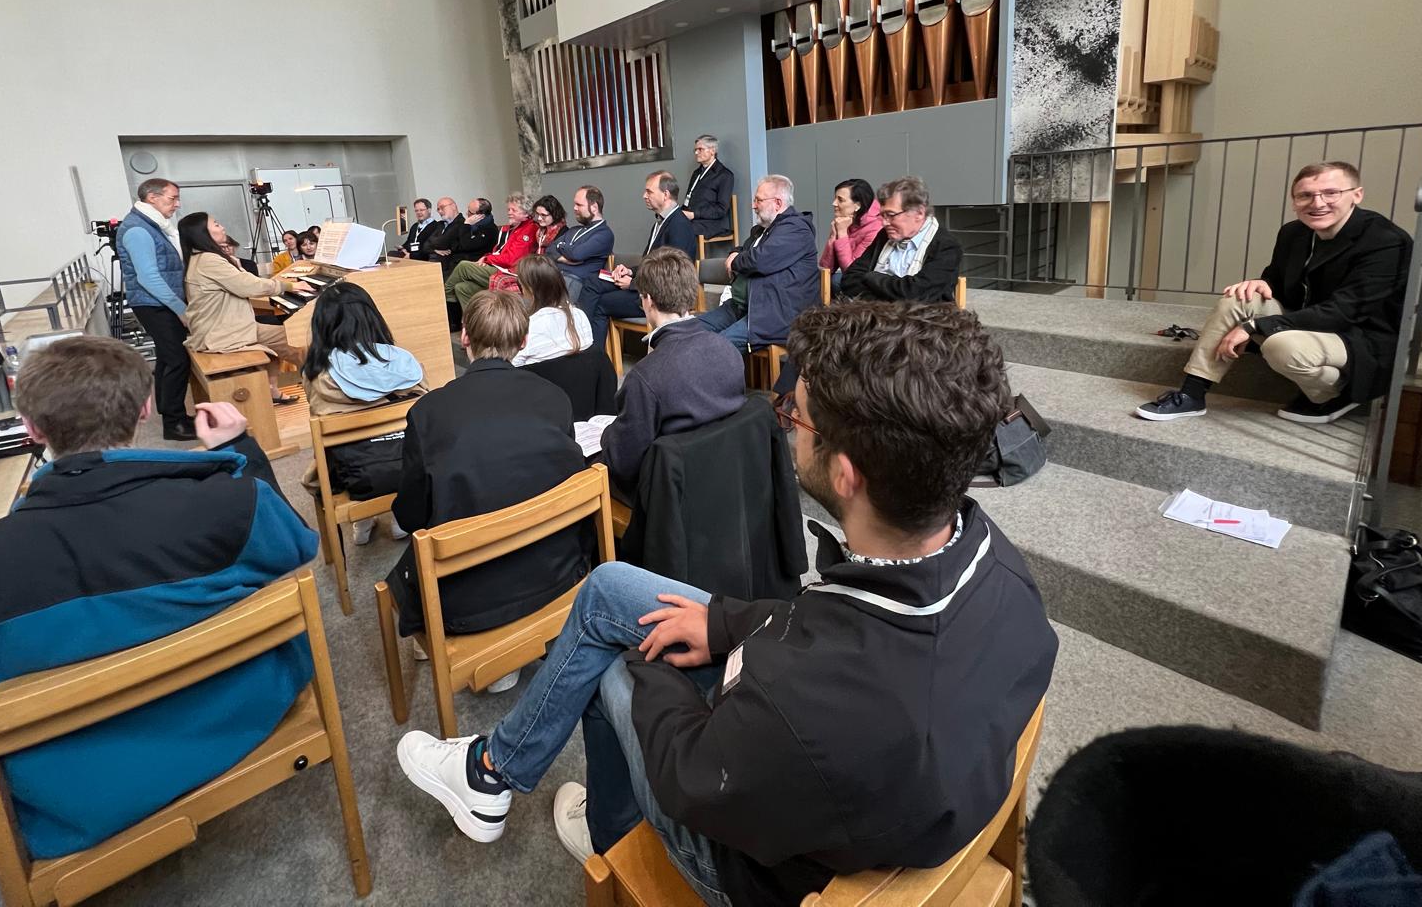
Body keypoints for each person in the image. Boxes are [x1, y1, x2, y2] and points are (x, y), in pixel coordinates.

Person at [398, 301, 1058, 907]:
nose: (788, 424)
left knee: (606, 658)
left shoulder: (806, 699)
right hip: (854, 775)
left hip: (743, 863)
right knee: (610, 587)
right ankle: (494, 771)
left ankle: (587, 820)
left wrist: (648, 666)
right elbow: (826, 622)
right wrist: (722, 623)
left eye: (795, 415)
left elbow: (692, 775)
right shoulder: (997, 565)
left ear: (846, 473)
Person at [0, 336, 317, 862]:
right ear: (144, 408)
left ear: (32, 429)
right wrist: (240, 451)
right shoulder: (231, 501)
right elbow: (296, 547)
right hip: (247, 711)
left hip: (73, 797)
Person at [385, 292, 588, 691]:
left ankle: (484, 651)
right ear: (523, 341)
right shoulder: (555, 397)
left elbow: (410, 517)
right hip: (558, 569)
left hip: (470, 600)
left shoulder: (428, 412)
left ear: (465, 337)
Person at [1136, 160, 1413, 426]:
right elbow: (1277, 280)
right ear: (1294, 201)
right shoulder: (1294, 233)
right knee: (1239, 299)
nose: (1318, 203)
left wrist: (1255, 326)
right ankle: (1192, 394)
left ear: (1356, 195)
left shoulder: (1386, 241)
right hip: (1308, 320)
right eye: (1305, 195)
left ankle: (1336, 394)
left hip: (1361, 337)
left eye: (1331, 193)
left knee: (1280, 346)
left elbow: (1345, 311)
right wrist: (1259, 283)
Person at [599, 248, 745, 495]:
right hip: (723, 482)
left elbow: (623, 462)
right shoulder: (729, 352)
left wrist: (607, 436)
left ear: (647, 300)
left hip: (670, 494)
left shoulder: (644, 378)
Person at [302, 282, 426, 544]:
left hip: (357, 477)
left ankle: (362, 521)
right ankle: (401, 515)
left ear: (321, 325)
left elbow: (321, 437)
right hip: (412, 467)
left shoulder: (317, 375)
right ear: (372, 317)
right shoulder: (404, 363)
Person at [180, 211, 307, 405]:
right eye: (216, 224)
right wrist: (290, 286)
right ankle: (325, 384)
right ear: (202, 233)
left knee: (290, 338)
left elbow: (243, 282)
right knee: (298, 340)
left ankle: (276, 389)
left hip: (226, 328)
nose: (222, 227)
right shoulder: (208, 260)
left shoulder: (201, 258)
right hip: (224, 334)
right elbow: (249, 285)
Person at [694, 174, 820, 352]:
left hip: (772, 315)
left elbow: (759, 260)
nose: (753, 205)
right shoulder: (764, 230)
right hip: (744, 306)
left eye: (758, 200)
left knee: (717, 347)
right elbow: (745, 249)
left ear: (777, 203)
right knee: (690, 331)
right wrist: (736, 252)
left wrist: (736, 260)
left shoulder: (796, 229)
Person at [581, 171, 698, 349]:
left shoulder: (679, 226)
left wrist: (633, 284)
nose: (644, 196)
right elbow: (650, 263)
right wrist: (629, 271)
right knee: (592, 281)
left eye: (649, 191)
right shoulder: (661, 222)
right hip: (644, 285)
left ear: (665, 194)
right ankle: (582, 342)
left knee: (601, 303)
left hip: (658, 297)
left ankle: (589, 353)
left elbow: (671, 276)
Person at [116, 177, 194, 441]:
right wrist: (180, 308)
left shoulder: (150, 225)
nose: (177, 204)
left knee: (166, 358)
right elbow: (148, 277)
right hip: (154, 304)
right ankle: (174, 424)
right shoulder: (138, 230)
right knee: (177, 360)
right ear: (152, 197)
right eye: (172, 198)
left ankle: (173, 415)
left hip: (157, 302)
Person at [839, 175, 964, 303]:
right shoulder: (884, 236)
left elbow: (916, 294)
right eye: (882, 215)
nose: (884, 223)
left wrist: (872, 277)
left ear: (919, 213)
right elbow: (849, 279)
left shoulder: (946, 246)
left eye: (891, 215)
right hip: (876, 311)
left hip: (924, 314)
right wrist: (887, 297)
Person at [444, 194, 539, 318]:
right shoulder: (510, 228)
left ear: (526, 213)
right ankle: (473, 323)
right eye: (508, 209)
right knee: (462, 288)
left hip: (511, 272)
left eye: (514, 210)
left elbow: (511, 259)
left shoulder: (529, 229)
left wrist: (487, 259)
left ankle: (443, 296)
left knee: (463, 266)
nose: (509, 213)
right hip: (498, 266)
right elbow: (498, 251)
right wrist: (487, 258)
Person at [513, 255, 594, 367]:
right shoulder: (580, 316)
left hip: (538, 377)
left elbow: (513, 365)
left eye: (521, 285)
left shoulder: (531, 326)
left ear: (530, 289)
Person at [486, 196, 568, 297]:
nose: (539, 218)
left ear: (554, 214)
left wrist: (487, 258)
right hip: (533, 271)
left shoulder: (563, 233)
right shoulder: (541, 231)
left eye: (543, 215)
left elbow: (556, 259)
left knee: (499, 281)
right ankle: (496, 306)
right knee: (497, 279)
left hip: (547, 275)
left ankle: (501, 306)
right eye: (537, 214)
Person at [547, 185, 617, 301]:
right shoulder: (574, 230)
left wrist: (561, 246)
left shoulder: (604, 234)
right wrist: (565, 258)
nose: (574, 208)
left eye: (579, 205)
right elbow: (550, 249)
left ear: (594, 207)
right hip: (555, 276)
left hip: (576, 282)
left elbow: (577, 254)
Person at [819, 178, 883, 294]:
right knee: (817, 279)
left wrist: (842, 233)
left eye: (840, 200)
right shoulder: (845, 221)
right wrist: (833, 236)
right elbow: (826, 268)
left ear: (857, 205)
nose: (834, 203)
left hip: (868, 282)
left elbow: (851, 274)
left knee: (835, 281)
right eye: (835, 198)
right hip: (847, 276)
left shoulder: (875, 228)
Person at [681, 135, 735, 240]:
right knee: (667, 224)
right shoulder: (696, 173)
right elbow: (688, 199)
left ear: (712, 151)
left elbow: (721, 209)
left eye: (700, 149)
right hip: (694, 220)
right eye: (695, 150)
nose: (696, 153)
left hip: (711, 224)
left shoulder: (724, 175)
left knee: (679, 228)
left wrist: (694, 214)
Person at [412, 197, 469, 273]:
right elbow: (426, 246)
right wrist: (435, 250)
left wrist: (434, 244)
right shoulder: (440, 224)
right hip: (437, 263)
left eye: (442, 207)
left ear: (453, 206)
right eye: (438, 209)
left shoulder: (462, 223)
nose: (440, 211)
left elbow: (444, 243)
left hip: (451, 265)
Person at [445, 198, 501, 272]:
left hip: (473, 264)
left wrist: (466, 225)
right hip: (458, 259)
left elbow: (466, 245)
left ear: (481, 216)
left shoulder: (490, 230)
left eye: (470, 212)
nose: (466, 213)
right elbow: (453, 242)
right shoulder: (471, 225)